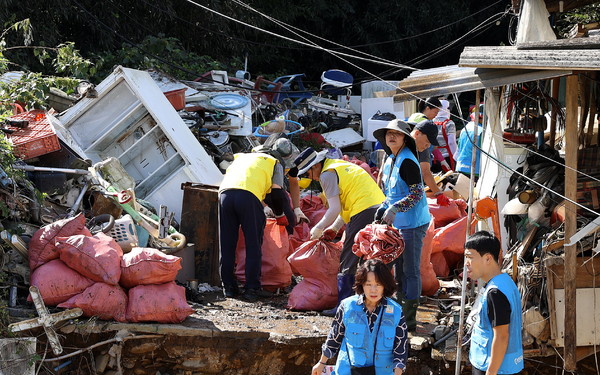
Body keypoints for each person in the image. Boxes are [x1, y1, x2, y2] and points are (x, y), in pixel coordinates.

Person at [293, 147, 385, 316]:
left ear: (315, 166)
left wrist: (318, 228)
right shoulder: (338, 166)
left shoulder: (326, 174)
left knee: (349, 257)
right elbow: (345, 204)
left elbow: (334, 208)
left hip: (364, 210)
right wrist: (334, 228)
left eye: (308, 173)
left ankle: (343, 307)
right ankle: (368, 304)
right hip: (378, 207)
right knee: (368, 257)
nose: (309, 177)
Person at [373, 120, 432, 332]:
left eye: (396, 134)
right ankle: (397, 310)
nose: (391, 137)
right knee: (398, 267)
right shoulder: (390, 159)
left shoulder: (408, 161)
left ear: (404, 138)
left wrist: (395, 208)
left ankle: (410, 319)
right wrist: (383, 208)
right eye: (388, 134)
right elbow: (391, 192)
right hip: (397, 223)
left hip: (413, 223)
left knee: (410, 269)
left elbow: (416, 193)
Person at [218, 141, 294, 302]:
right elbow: (277, 193)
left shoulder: (241, 157)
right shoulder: (274, 163)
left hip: (224, 195)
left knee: (227, 243)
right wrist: (280, 214)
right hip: (247, 197)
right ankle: (251, 289)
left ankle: (228, 288)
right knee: (253, 244)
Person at [311, 259, 408, 375]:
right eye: (368, 284)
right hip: (348, 371)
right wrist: (321, 363)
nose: (373, 290)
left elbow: (401, 346)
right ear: (362, 284)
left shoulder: (396, 311)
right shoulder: (347, 307)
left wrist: (397, 371)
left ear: (385, 285)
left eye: (378, 284)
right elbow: (334, 337)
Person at [464, 231, 523, 375]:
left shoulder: (495, 293)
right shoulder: (505, 282)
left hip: (493, 367)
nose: (467, 263)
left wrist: (491, 372)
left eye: (470, 257)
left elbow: (502, 336)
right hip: (505, 365)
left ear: (488, 258)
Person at [454, 105, 483, 179]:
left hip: (461, 167)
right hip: (474, 170)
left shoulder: (465, 128)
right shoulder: (482, 131)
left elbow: (458, 148)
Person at [432, 99, 457, 173]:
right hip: (446, 157)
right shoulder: (449, 123)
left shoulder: (431, 122)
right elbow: (451, 142)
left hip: (434, 157)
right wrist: (455, 157)